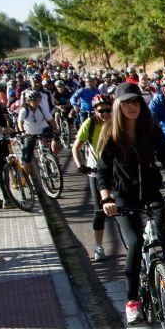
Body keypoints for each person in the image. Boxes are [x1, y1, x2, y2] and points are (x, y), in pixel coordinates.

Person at [97, 83, 165, 324]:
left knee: (163, 233)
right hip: (123, 198)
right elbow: (103, 173)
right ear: (118, 106)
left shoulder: (152, 130)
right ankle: (132, 301)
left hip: (151, 194)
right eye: (127, 102)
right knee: (136, 243)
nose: (132, 106)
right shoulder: (110, 133)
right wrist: (106, 198)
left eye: (136, 101)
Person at [72, 94, 112, 260]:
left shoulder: (117, 122)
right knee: (99, 210)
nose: (105, 114)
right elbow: (76, 147)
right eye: (101, 110)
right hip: (96, 171)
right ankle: (99, 246)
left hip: (116, 170)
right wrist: (81, 166)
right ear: (95, 111)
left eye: (108, 110)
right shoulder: (90, 123)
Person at [17, 90, 57, 175]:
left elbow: (51, 120)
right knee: (27, 156)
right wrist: (22, 131)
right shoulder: (24, 110)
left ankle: (52, 158)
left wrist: (56, 129)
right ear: (28, 101)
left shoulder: (41, 107)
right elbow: (20, 122)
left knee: (55, 141)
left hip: (43, 130)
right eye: (34, 100)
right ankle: (25, 176)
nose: (36, 102)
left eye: (38, 100)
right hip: (30, 133)